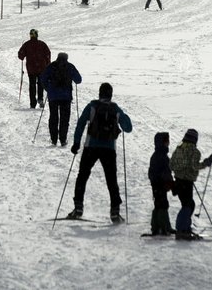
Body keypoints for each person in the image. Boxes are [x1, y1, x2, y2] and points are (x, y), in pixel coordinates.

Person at [67, 82, 133, 222]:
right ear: (110, 94)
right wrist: (121, 116)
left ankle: (78, 207)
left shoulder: (92, 106)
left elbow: (81, 123)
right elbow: (128, 128)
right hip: (109, 149)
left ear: (99, 93)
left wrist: (76, 142)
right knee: (111, 180)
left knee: (83, 176)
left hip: (91, 147)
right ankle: (115, 211)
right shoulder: (115, 109)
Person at [169, 128, 212, 240]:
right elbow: (195, 166)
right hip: (187, 182)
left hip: (178, 181)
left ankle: (185, 227)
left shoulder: (178, 149)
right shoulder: (194, 151)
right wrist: (207, 162)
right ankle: (182, 229)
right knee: (188, 205)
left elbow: (171, 164)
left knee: (187, 204)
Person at [39, 52, 82, 146]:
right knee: (64, 118)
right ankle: (63, 139)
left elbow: (43, 78)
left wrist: (48, 88)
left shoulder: (51, 66)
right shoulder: (70, 66)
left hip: (53, 96)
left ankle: (53, 139)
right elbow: (78, 80)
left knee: (53, 117)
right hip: (66, 97)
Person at [148, 132, 175, 236]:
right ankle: (163, 227)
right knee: (162, 204)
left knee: (159, 204)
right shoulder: (160, 156)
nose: (168, 143)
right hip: (160, 184)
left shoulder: (159, 155)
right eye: (166, 141)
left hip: (158, 184)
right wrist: (168, 181)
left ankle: (157, 226)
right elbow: (163, 171)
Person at [18, 28, 51, 109]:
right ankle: (40, 99)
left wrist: (22, 54)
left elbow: (20, 56)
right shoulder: (42, 44)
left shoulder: (27, 44)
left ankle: (33, 103)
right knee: (41, 84)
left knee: (32, 85)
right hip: (41, 68)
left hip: (31, 68)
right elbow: (48, 54)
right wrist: (48, 64)